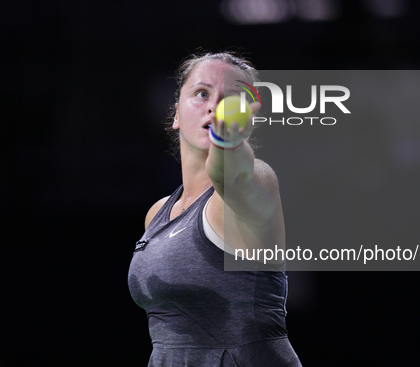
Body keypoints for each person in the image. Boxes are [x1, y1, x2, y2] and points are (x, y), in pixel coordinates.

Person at [128, 51, 302, 366]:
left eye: (231, 99)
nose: (215, 106)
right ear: (176, 114)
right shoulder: (157, 214)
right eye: (202, 93)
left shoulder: (259, 181)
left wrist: (227, 134)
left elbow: (228, 171)